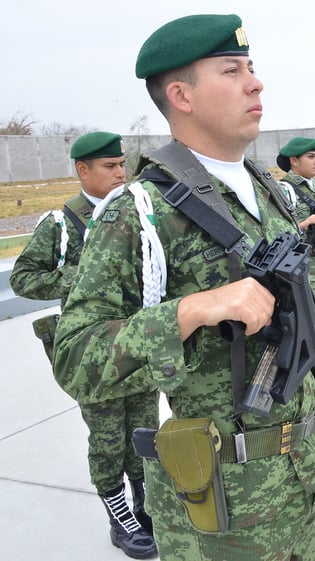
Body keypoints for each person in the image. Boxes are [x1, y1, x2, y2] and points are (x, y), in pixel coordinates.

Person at [53, 14, 315, 561]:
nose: (255, 82)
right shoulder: (140, 212)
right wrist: (192, 309)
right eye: (231, 70)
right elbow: (76, 357)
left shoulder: (266, 188)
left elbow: (303, 295)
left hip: (297, 480)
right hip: (217, 511)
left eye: (252, 67)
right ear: (182, 95)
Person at [11, 132, 160, 560]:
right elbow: (24, 277)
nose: (120, 173)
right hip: (93, 354)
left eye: (121, 165)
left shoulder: (139, 213)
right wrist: (81, 276)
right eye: (109, 167)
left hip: (139, 345)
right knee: (108, 438)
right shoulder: (62, 222)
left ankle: (145, 506)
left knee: (143, 432)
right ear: (83, 170)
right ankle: (120, 518)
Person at [277, 136, 315, 326]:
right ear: (294, 160)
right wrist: (305, 223)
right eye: (311, 157)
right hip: (306, 272)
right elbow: (279, 233)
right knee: (309, 325)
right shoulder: (285, 189)